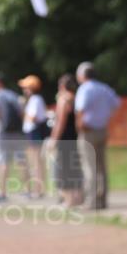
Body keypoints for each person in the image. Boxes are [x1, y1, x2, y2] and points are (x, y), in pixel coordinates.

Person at [74, 62, 121, 210]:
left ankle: (92, 202)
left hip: (88, 131)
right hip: (102, 130)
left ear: (82, 75)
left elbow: (80, 110)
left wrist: (80, 125)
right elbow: (116, 104)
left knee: (90, 167)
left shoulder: (84, 89)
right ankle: (102, 200)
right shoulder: (104, 88)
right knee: (102, 167)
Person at [0, 71, 25, 201]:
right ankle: (27, 190)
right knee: (21, 160)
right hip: (17, 132)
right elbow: (21, 114)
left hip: (2, 133)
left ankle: (2, 193)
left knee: (3, 162)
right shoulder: (13, 95)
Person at [47, 73, 82, 206]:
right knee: (74, 169)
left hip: (64, 139)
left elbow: (60, 122)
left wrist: (53, 139)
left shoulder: (63, 100)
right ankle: (78, 198)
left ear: (62, 86)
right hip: (75, 138)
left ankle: (69, 200)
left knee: (63, 169)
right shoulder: (76, 98)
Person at [19, 74, 49, 198]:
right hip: (32, 132)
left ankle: (38, 190)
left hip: (34, 132)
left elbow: (32, 117)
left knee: (36, 161)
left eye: (26, 87)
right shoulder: (34, 100)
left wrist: (23, 110)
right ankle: (36, 189)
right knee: (34, 161)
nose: (24, 90)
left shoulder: (35, 99)